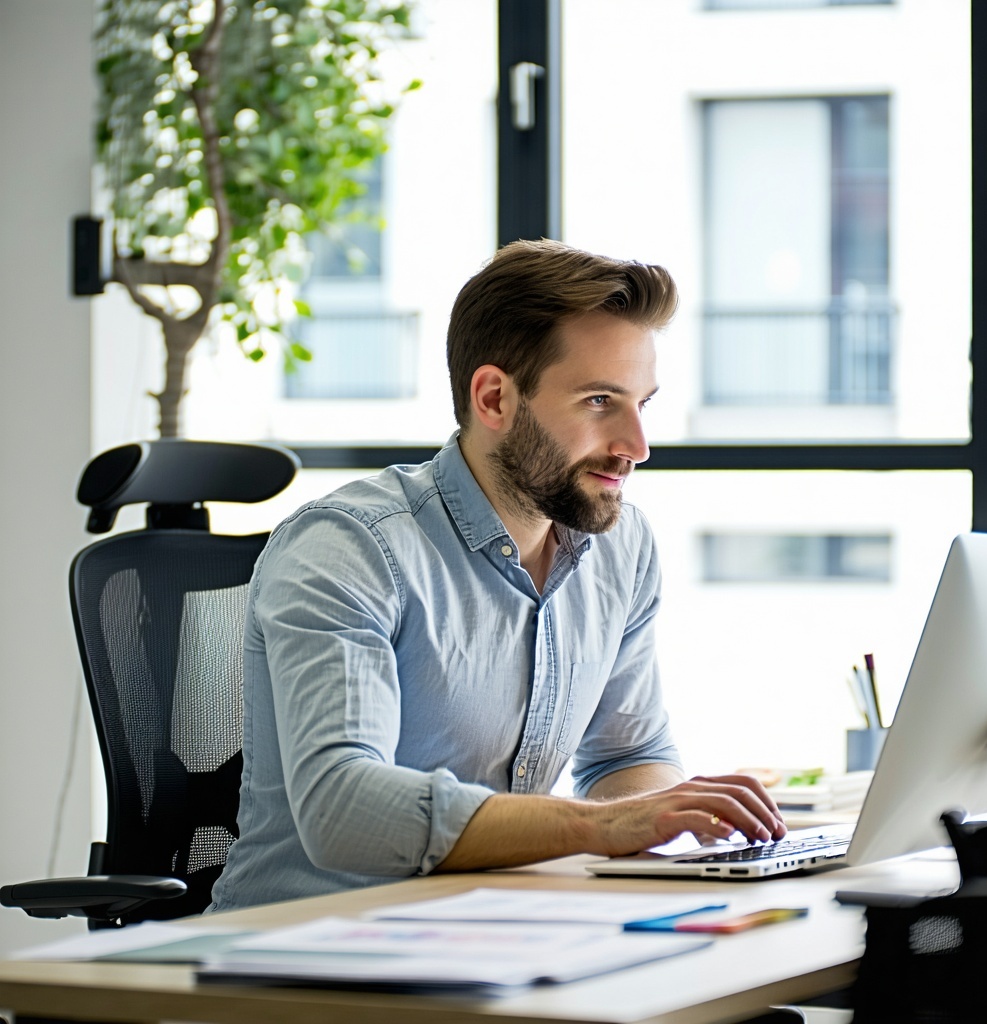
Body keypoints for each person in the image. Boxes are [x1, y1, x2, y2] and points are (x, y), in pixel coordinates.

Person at [209, 239, 786, 912]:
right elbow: (342, 808)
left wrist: (658, 821)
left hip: (495, 924)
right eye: (600, 401)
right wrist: (599, 827)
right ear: (494, 399)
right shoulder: (350, 548)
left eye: (642, 404)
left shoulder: (620, 547)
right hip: (302, 947)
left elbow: (628, 756)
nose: (636, 446)